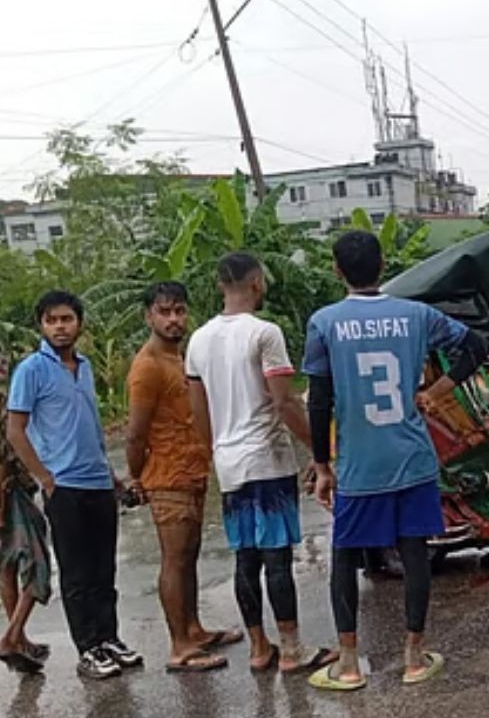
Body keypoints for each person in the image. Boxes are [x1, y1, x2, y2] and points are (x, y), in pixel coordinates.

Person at [302, 230, 486, 692]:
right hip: (412, 458)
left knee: (345, 556)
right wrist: (435, 394)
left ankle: (347, 663)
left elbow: (319, 401)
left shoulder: (324, 323)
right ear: (383, 266)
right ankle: (414, 656)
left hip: (360, 465)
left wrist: (322, 466)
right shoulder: (417, 315)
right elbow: (476, 347)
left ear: (336, 269)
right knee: (413, 552)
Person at [185, 253, 334, 674]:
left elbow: (199, 409)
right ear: (256, 283)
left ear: (219, 286)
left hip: (229, 462)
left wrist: (215, 449)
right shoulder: (265, 333)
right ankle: (291, 648)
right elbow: (284, 401)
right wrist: (319, 452)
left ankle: (257, 646)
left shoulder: (198, 340)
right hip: (267, 459)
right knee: (277, 558)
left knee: (245, 558)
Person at [5, 291, 142, 680]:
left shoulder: (83, 367)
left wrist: (111, 475)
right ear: (41, 325)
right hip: (63, 487)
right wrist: (44, 478)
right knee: (77, 572)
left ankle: (109, 638)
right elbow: (16, 431)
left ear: (79, 323)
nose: (60, 327)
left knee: (104, 568)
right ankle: (88, 648)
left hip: (98, 482)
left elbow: (93, 427)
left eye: (67, 319)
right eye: (52, 320)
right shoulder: (31, 370)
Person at [126, 281, 242, 674]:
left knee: (189, 556)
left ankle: (194, 628)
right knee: (174, 560)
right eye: (164, 311)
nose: (174, 319)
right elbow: (135, 433)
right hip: (166, 476)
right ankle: (179, 646)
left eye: (179, 311)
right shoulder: (147, 367)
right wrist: (135, 476)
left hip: (192, 471)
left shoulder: (181, 357)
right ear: (149, 316)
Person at [0, 356, 52, 675]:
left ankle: (19, 639)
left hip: (9, 488)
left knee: (6, 565)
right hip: (10, 490)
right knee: (36, 563)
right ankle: (12, 636)